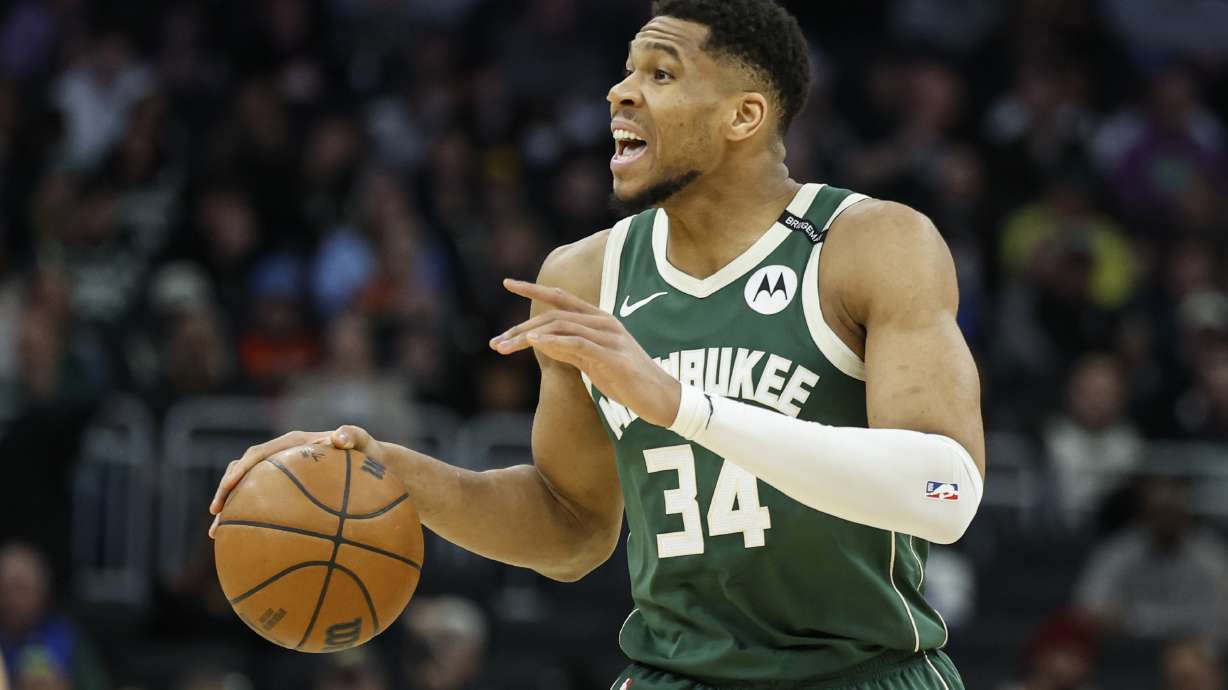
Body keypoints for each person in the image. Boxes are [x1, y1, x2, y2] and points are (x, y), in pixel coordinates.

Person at [209, 1, 985, 688]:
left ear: (743, 116)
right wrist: (393, 473)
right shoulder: (587, 274)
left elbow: (944, 495)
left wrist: (683, 406)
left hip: (859, 673)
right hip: (673, 675)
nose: (621, 92)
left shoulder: (869, 243)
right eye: (626, 71)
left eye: (661, 73)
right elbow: (571, 525)